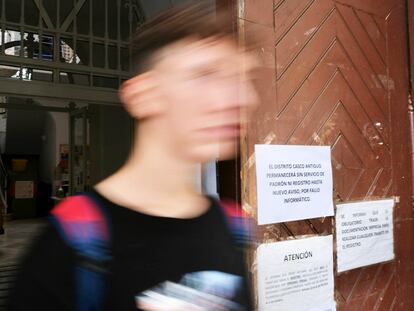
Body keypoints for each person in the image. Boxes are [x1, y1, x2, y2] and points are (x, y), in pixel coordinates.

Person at [7, 3, 259, 311]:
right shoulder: (73, 241)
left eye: (244, 79)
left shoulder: (232, 227)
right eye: (205, 74)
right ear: (143, 95)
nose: (243, 98)